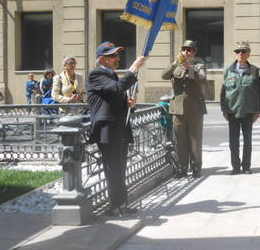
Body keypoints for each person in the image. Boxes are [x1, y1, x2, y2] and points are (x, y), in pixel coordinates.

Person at [87, 41, 147, 217]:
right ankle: (115, 206)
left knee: (120, 169)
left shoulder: (111, 75)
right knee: (113, 170)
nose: (117, 58)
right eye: (113, 55)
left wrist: (129, 104)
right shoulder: (96, 74)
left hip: (119, 129)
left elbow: (115, 97)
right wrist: (134, 67)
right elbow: (117, 88)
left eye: (117, 55)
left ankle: (122, 204)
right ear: (103, 59)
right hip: (107, 131)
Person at [161, 40, 207, 178]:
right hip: (178, 109)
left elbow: (202, 79)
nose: (187, 52)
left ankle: (196, 167)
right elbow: (164, 75)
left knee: (195, 140)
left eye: (189, 50)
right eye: (184, 49)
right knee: (179, 141)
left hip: (195, 109)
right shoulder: (175, 66)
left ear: (194, 53)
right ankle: (181, 167)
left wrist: (189, 68)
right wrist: (176, 63)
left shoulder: (199, 66)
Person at [220, 41, 260, 175]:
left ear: (248, 54)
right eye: (238, 52)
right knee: (233, 142)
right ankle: (236, 167)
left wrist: (258, 110)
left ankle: (246, 166)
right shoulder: (228, 70)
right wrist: (224, 109)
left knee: (247, 141)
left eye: (243, 51)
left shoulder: (255, 71)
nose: (240, 54)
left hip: (248, 111)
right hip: (232, 111)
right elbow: (223, 91)